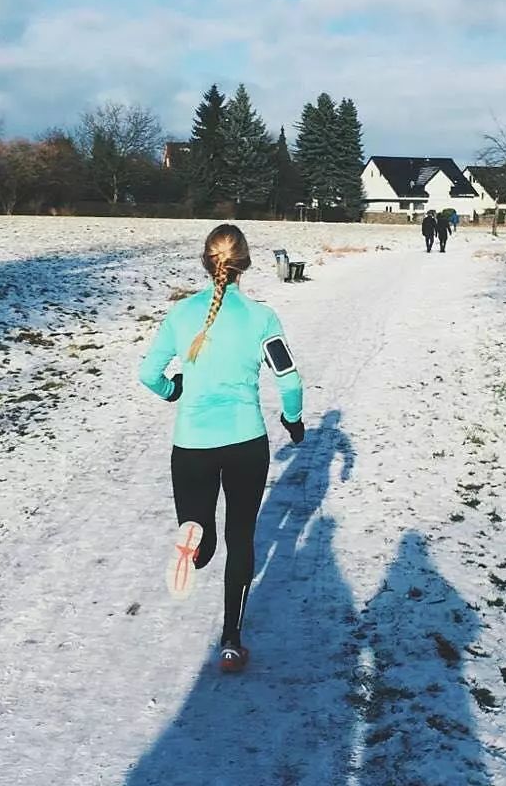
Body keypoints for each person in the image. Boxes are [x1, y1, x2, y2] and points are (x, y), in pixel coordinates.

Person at [139, 224, 304, 675]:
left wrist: (174, 390)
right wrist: (293, 420)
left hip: (192, 444)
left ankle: (194, 541)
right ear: (245, 264)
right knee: (242, 538)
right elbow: (289, 380)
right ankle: (231, 640)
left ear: (205, 261)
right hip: (246, 442)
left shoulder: (179, 316)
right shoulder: (262, 317)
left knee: (201, 529)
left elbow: (147, 373)